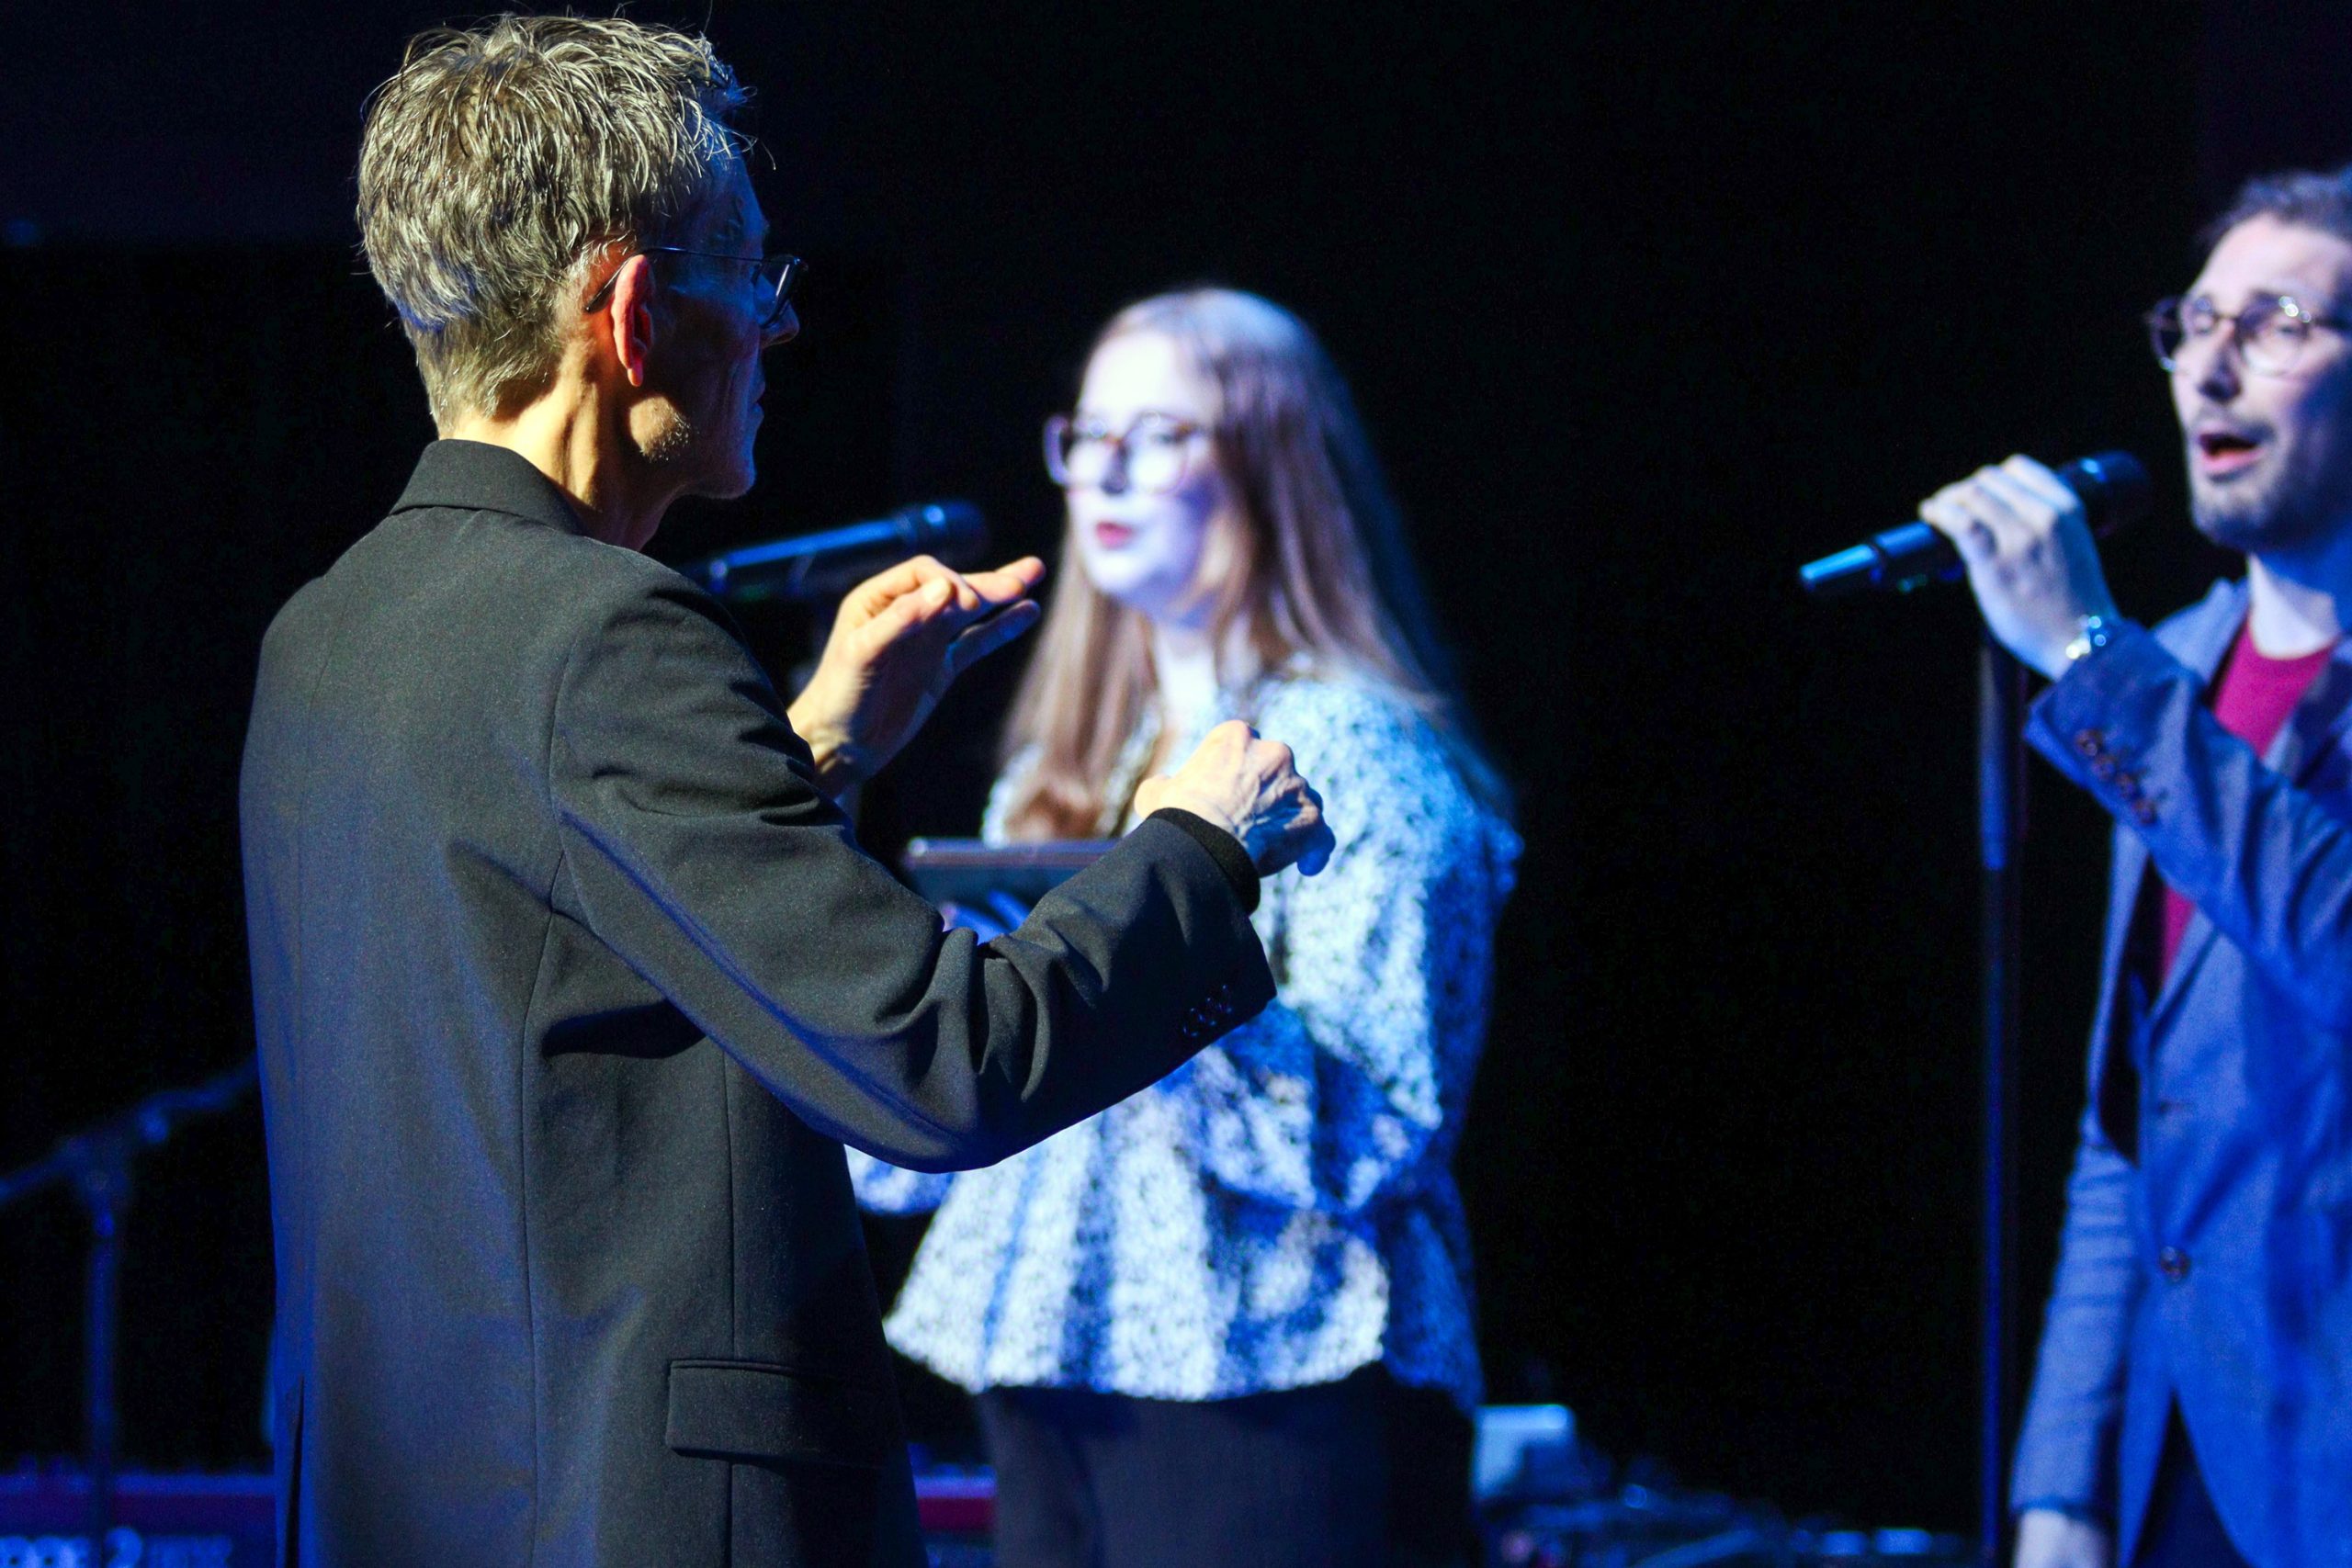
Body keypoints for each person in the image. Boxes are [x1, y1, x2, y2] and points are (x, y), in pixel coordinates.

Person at [241, 21, 1336, 1568]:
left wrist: (816, 744)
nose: (779, 325)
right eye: (755, 279)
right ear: (634, 313)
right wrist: (1200, 846)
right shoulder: (610, 636)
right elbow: (941, 1063)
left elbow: (560, 978)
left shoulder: (328, 632)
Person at [851, 288, 1520, 1568]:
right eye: (1089, 435)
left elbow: (1374, 1130)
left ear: (1270, 462)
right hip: (1053, 1366)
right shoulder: (1070, 759)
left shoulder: (1359, 750)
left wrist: (1152, 948)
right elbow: (1005, 1065)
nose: (1106, 470)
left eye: (1158, 435)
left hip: (1274, 1377)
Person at [1916, 169, 2352, 1568]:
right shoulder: (2186, 665)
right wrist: (2066, 1480)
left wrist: (2091, 655)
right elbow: (2132, 1122)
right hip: (2182, 1465)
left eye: (2277, 324)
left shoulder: (2133, 686)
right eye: (2195, 324)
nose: (2210, 370)